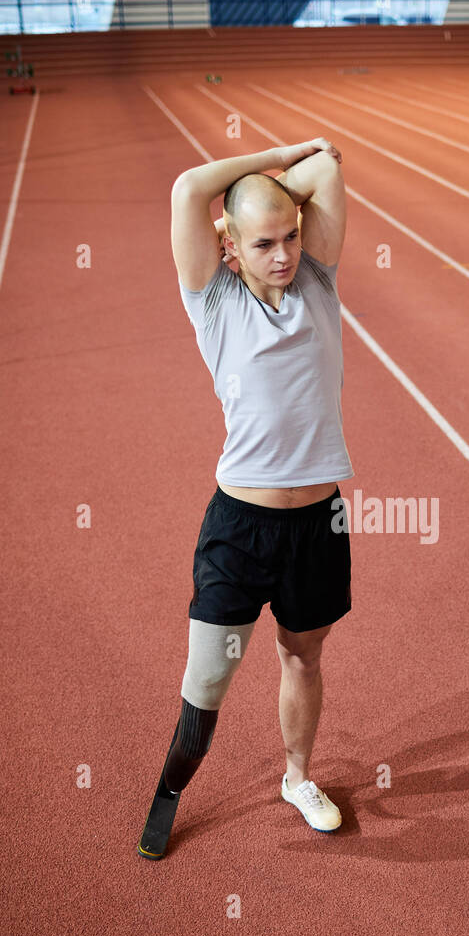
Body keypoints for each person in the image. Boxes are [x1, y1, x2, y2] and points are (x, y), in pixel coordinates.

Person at [138, 137, 353, 860]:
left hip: (319, 524)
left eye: (291, 235)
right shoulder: (214, 300)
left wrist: (281, 188)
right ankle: (171, 791)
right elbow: (187, 187)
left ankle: (298, 778)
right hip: (241, 526)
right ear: (231, 244)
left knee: (303, 657)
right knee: (209, 680)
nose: (285, 254)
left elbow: (328, 167)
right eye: (265, 243)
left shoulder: (318, 282)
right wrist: (275, 159)